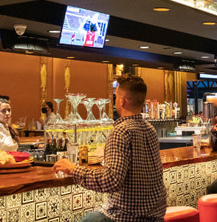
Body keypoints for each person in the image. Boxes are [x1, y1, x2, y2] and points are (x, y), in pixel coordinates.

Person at [52, 74, 166, 222]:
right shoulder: (150, 129)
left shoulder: (121, 131)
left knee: (91, 218)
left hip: (125, 217)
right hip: (155, 216)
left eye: (116, 97)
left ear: (122, 101)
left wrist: (73, 169)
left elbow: (112, 180)